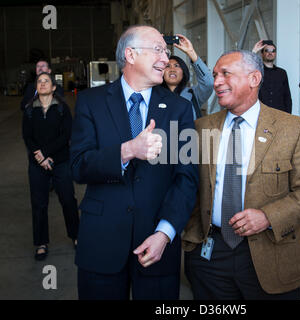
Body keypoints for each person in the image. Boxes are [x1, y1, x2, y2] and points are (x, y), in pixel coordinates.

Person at [182, 50, 300, 300]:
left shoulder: (292, 128)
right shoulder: (201, 127)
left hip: (271, 252)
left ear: (254, 78)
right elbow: (185, 187)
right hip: (210, 257)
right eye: (215, 75)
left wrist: (268, 216)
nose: (216, 82)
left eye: (226, 74)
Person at [69, 25, 198, 300]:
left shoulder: (180, 109)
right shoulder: (91, 102)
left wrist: (165, 233)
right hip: (101, 242)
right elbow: (79, 165)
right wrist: (127, 151)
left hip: (157, 245)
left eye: (166, 51)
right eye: (158, 50)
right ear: (130, 54)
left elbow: (186, 177)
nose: (166, 58)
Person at [22, 72, 79, 261]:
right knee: (39, 204)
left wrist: (46, 153)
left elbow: (66, 135)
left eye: (47, 81)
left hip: (61, 162)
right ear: (36, 87)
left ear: (54, 87)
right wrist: (40, 158)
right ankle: (41, 243)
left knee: (68, 200)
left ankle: (76, 236)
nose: (43, 84)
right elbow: (27, 137)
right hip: (37, 164)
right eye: (39, 81)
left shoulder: (62, 109)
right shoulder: (30, 109)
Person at [162, 34, 214, 120]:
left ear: (184, 72)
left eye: (177, 66)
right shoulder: (153, 94)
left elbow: (209, 83)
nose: (172, 69)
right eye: (167, 66)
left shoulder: (193, 94)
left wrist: (191, 52)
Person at [252, 40, 292, 113]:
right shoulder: (256, 71)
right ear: (262, 53)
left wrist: (288, 116)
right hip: (261, 113)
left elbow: (287, 96)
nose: (270, 53)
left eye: (273, 51)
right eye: (267, 50)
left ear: (275, 54)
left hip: (279, 113)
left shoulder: (282, 73)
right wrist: (254, 52)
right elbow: (245, 68)